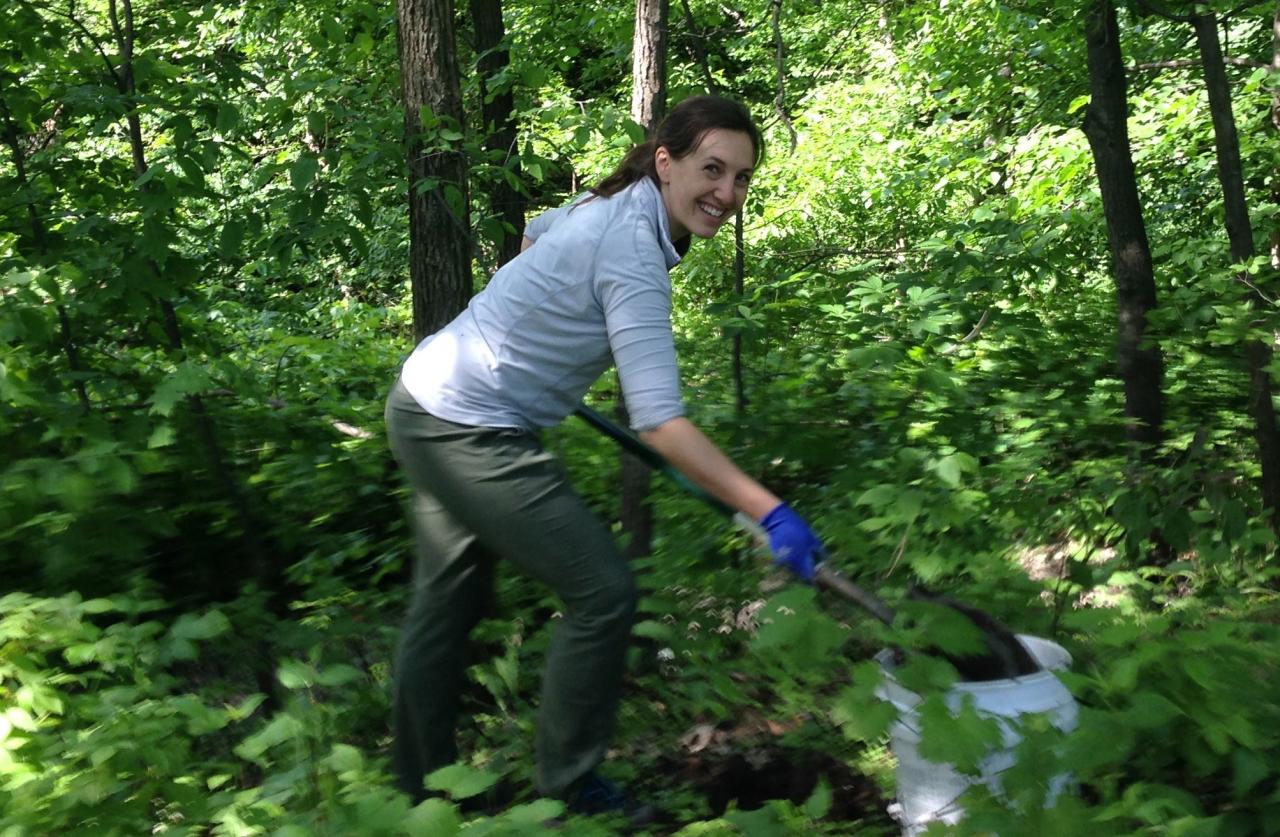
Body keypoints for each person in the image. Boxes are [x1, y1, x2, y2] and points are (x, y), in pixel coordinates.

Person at [384, 94, 825, 822]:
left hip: (434, 397)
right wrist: (769, 508)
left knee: (449, 600)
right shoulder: (633, 251)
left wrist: (533, 340)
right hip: (462, 424)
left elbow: (535, 233)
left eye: (742, 178)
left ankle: (423, 794)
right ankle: (572, 789)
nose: (727, 193)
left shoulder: (615, 203)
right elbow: (659, 422)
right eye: (711, 169)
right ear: (666, 161)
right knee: (603, 590)